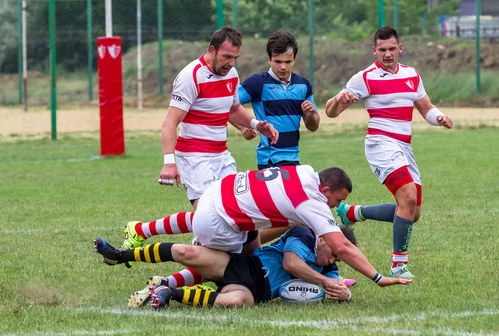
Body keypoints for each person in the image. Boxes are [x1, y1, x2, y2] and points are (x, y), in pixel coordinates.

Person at [102, 165, 411, 288]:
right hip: (221, 220)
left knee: (252, 250)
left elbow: (284, 219)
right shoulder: (311, 202)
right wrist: (378, 277)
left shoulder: (304, 172)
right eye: (333, 202)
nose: (331, 208)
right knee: (224, 267)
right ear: (326, 191)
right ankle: (166, 283)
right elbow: (341, 245)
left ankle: (142, 233)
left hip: (220, 192)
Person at [325, 27, 453, 280]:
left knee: (412, 211)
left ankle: (353, 213)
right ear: (375, 50)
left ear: (400, 48)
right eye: (382, 50)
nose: (387, 54)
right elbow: (330, 112)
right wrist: (340, 99)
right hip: (381, 144)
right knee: (408, 195)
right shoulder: (365, 77)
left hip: (404, 146)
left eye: (391, 49)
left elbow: (425, 108)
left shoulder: (411, 75)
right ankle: (398, 264)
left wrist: (439, 117)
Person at [153, 26, 278, 211]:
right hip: (194, 156)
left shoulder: (231, 74)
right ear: (212, 50)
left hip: (221, 155)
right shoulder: (191, 76)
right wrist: (169, 163)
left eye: (235, 58)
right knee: (210, 213)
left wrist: (256, 125)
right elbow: (170, 123)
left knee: (240, 211)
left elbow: (233, 109)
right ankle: (142, 230)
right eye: (226, 57)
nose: (231, 63)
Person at [96, 225, 361, 309]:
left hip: (255, 290)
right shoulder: (304, 234)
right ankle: (120, 254)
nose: (333, 262)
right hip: (242, 264)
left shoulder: (327, 270)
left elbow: (336, 287)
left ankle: (168, 293)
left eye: (338, 262)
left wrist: (344, 293)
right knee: (184, 251)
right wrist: (325, 281)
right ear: (327, 239)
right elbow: (291, 263)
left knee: (234, 301)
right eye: (336, 254)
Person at [230, 30, 320, 245]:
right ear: (269, 59)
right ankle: (243, 245)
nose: (282, 66)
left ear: (294, 59)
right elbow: (228, 106)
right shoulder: (257, 83)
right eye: (277, 61)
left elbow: (313, 126)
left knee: (293, 216)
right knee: (296, 216)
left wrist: (311, 114)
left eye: (287, 61)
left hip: (293, 160)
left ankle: (250, 246)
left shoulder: (303, 85)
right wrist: (243, 127)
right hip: (270, 161)